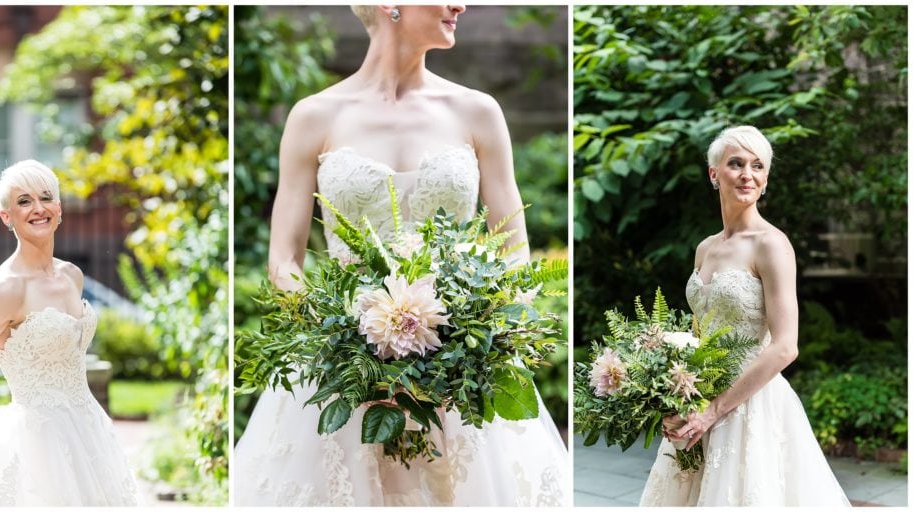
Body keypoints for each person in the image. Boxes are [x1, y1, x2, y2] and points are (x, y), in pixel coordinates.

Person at [234, 5, 568, 506]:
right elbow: (284, 259)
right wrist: (341, 339)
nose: (460, 4)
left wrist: (479, 323)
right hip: (341, 371)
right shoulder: (314, 116)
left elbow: (514, 245)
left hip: (461, 369)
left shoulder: (478, 112)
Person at [639, 126, 850, 506]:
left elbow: (786, 347)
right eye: (735, 164)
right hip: (701, 397)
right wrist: (676, 393)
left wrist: (712, 411)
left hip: (750, 405)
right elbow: (698, 333)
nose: (747, 174)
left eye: (757, 166)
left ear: (766, 179)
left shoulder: (772, 245)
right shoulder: (705, 248)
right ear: (714, 173)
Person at [0, 160, 138, 506]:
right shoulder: (6, 289)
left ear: (59, 208)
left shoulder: (73, 276)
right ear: (7, 217)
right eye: (23, 201)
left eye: (45, 198)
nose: (38, 209)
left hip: (88, 429)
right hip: (37, 441)